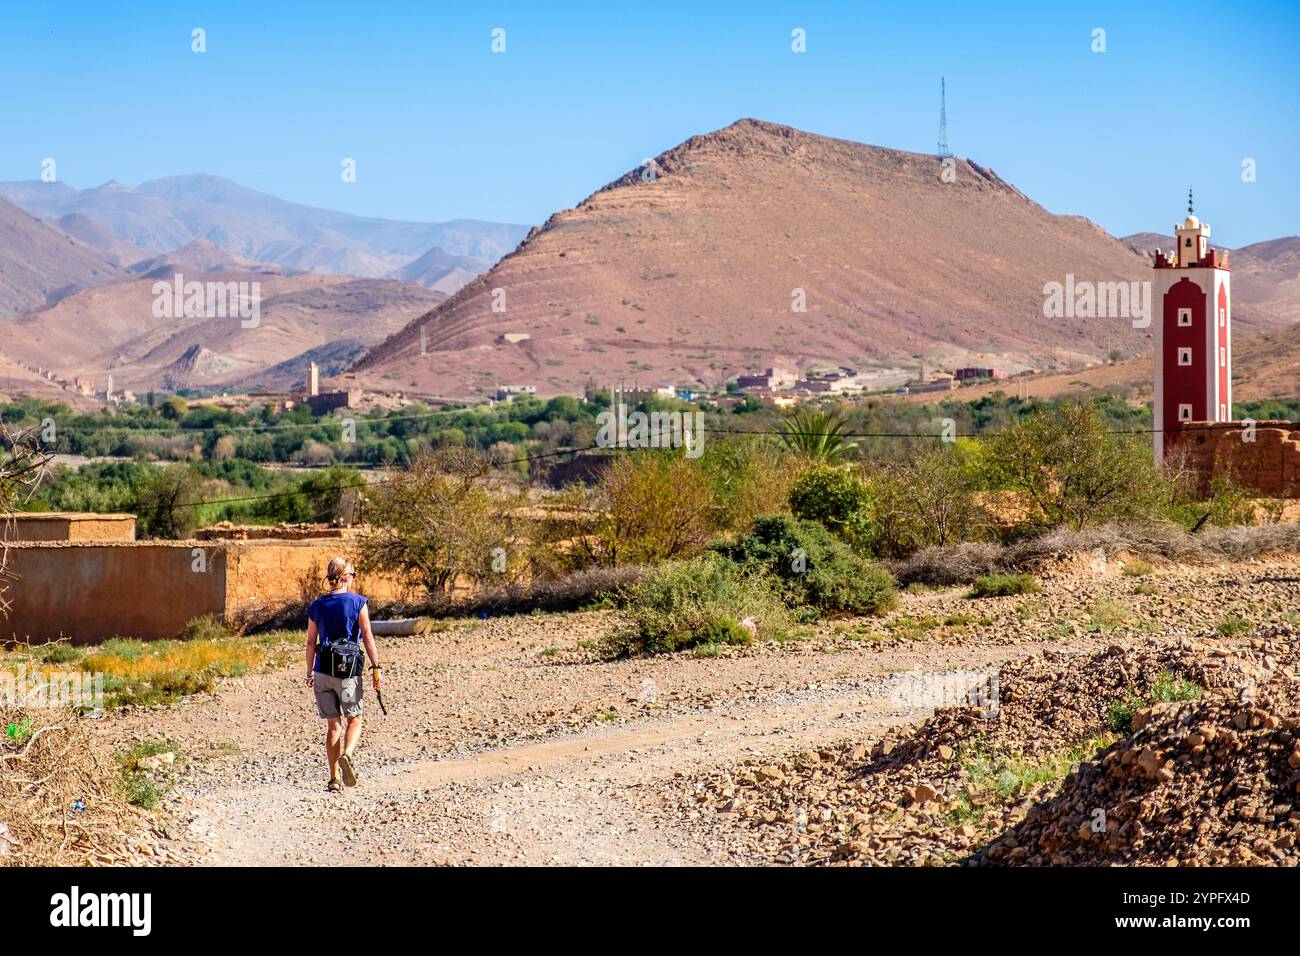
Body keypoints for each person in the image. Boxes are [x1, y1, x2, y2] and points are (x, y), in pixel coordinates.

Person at [305, 556, 381, 793]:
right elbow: (367, 636)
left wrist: (309, 671)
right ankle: (347, 754)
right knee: (354, 718)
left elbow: (310, 642)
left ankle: (334, 778)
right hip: (348, 670)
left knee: (333, 726)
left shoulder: (317, 606)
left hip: (322, 669)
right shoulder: (358, 602)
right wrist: (375, 666)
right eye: (353, 575)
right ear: (346, 577)